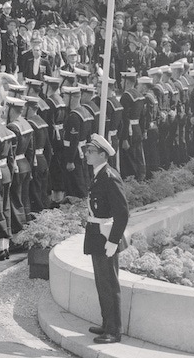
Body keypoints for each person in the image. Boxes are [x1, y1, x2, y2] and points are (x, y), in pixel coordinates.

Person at [83, 133, 130, 345]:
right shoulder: (98, 173)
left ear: (103, 154)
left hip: (105, 235)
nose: (87, 154)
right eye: (87, 151)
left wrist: (113, 240)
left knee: (110, 283)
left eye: (91, 152)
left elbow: (122, 212)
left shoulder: (109, 176)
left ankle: (114, 330)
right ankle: (106, 323)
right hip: (96, 232)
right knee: (101, 282)